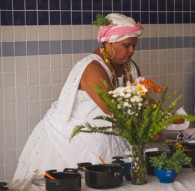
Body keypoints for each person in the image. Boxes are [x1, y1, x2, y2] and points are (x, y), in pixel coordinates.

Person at [13, 13, 143, 180]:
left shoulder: (129, 67)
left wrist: (164, 118)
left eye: (134, 45)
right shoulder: (92, 67)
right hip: (68, 138)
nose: (132, 51)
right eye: (127, 45)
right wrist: (146, 129)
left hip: (107, 135)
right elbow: (113, 109)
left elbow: (141, 98)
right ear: (109, 43)